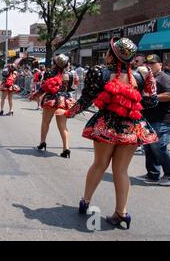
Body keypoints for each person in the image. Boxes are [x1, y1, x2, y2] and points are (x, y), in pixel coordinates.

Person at [65, 38, 158, 229]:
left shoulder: (99, 73)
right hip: (132, 127)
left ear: (111, 54)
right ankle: (121, 213)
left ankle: (86, 202)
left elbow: (86, 99)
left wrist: (69, 113)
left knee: (99, 164)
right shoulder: (142, 75)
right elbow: (151, 102)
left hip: (106, 125)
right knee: (121, 170)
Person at [30, 54, 76, 158]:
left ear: (55, 63)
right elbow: (72, 88)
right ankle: (66, 148)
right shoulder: (70, 74)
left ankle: (42, 142)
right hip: (64, 100)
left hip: (51, 99)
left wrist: (35, 95)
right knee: (63, 126)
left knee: (45, 122)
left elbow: (44, 87)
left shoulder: (49, 72)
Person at [136, 54, 170, 186]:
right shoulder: (148, 78)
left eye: (152, 63)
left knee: (159, 147)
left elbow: (169, 94)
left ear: (160, 64)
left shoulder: (164, 78)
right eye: (147, 64)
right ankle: (152, 174)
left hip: (162, 119)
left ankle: (168, 173)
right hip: (148, 118)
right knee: (149, 147)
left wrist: (152, 97)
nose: (149, 66)